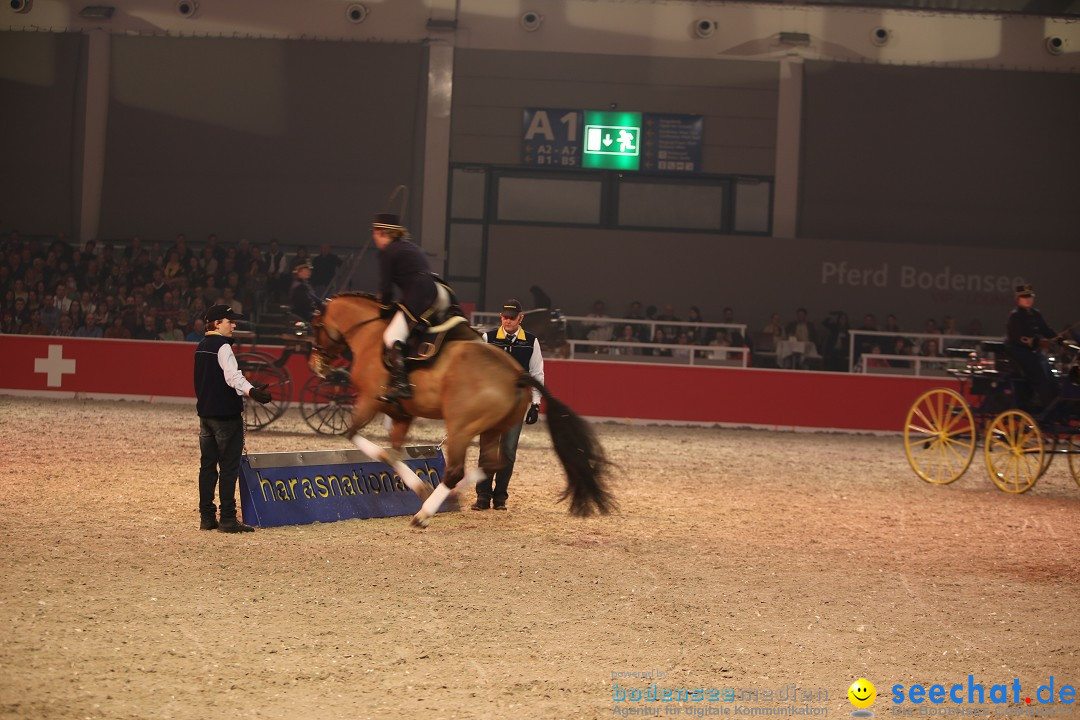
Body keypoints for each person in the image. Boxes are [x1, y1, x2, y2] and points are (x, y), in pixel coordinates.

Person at [193, 304, 273, 532]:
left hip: (205, 415)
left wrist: (250, 388)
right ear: (217, 323)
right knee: (229, 467)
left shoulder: (200, 347)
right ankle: (228, 517)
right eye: (230, 321)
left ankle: (207, 517)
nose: (234, 325)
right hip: (226, 416)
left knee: (207, 467)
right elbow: (232, 378)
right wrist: (252, 391)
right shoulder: (223, 347)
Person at [372, 212, 453, 404]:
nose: (373, 237)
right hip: (439, 291)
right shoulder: (410, 247)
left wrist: (384, 308)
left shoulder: (388, 252)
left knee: (391, 336)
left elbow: (386, 287)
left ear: (382, 233)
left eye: (375, 232)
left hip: (420, 294)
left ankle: (402, 385)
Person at [472, 299, 544, 511]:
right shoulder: (489, 338)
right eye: (504, 316)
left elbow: (537, 373)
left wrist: (536, 403)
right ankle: (483, 496)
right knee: (487, 449)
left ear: (521, 318)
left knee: (508, 451)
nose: (507, 320)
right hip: (490, 405)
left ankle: (500, 497)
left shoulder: (531, 341)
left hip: (515, 405)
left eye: (512, 317)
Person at [1005, 284, 1058, 408]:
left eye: (1030, 297)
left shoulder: (1035, 313)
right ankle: (1047, 404)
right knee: (1039, 373)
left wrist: (1061, 341)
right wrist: (1039, 342)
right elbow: (1021, 338)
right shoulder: (1015, 316)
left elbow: (1046, 330)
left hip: (1033, 353)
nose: (1028, 299)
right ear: (1018, 299)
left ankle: (1056, 400)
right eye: (1024, 297)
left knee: (1050, 373)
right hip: (1019, 353)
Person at [289, 258, 321, 322]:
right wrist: (316, 308)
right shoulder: (299, 286)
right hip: (301, 317)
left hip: (305, 315)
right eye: (306, 270)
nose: (309, 272)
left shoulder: (306, 285)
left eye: (309, 270)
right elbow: (306, 303)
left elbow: (314, 299)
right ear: (299, 272)